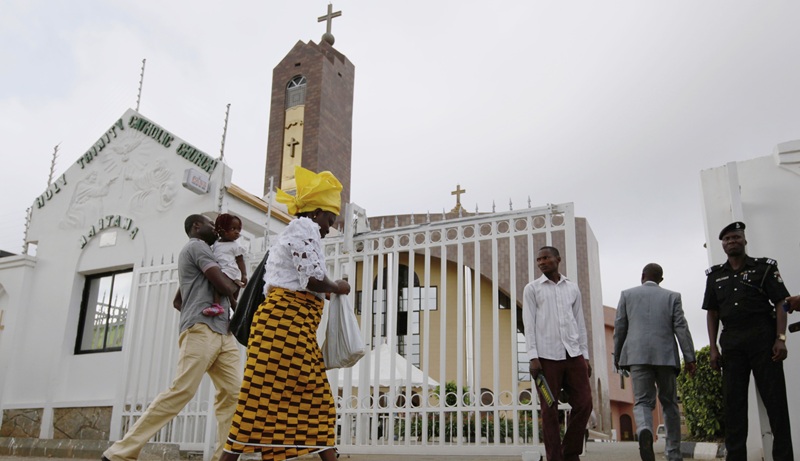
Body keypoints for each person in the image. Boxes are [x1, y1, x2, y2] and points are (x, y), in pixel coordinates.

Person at [221, 166, 350, 461]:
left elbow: (304, 281)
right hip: (284, 328)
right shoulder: (304, 228)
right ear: (316, 213)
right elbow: (312, 280)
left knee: (262, 399)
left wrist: (326, 290)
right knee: (313, 396)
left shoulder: (301, 233)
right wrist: (338, 286)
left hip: (283, 328)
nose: (330, 227)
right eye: (330, 219)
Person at [102, 214, 242, 461]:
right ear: (196, 227)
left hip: (223, 331)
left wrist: (201, 303)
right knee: (182, 391)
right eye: (211, 224)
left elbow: (178, 300)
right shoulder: (196, 246)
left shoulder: (206, 253)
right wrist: (232, 286)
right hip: (202, 329)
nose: (216, 228)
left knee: (233, 394)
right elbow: (223, 285)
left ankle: (224, 457)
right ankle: (119, 453)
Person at [703, 222, 794, 461]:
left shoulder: (764, 268)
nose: (731, 242)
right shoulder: (715, 276)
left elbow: (781, 303)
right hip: (732, 345)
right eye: (727, 239)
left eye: (735, 237)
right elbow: (712, 313)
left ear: (744, 241)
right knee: (734, 408)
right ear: (722, 245)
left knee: (776, 404)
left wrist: (780, 338)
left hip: (764, 342)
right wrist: (713, 348)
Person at [614, 263, 697, 461]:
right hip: (665, 357)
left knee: (642, 401)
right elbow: (681, 328)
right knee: (669, 403)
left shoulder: (627, 295)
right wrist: (690, 357)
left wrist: (618, 357)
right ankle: (673, 453)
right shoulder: (672, 296)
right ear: (661, 279)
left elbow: (620, 328)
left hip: (637, 356)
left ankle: (644, 430)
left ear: (642, 275)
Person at [523, 246, 593, 461]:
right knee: (549, 410)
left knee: (584, 404)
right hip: (545, 358)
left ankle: (569, 452)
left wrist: (585, 355)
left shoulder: (572, 288)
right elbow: (529, 323)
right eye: (538, 260)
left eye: (546, 258)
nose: (541, 262)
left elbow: (579, 323)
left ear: (557, 259)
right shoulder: (532, 289)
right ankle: (556, 457)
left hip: (573, 354)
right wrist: (533, 356)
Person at [205, 213, 248, 316]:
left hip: (230, 270)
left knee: (220, 286)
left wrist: (244, 274)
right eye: (233, 229)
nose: (237, 232)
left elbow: (240, 261)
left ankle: (220, 306)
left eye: (239, 229)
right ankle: (228, 311)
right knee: (222, 290)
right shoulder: (216, 243)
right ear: (221, 229)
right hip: (222, 270)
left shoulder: (235, 246)